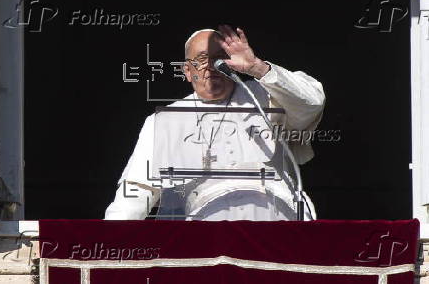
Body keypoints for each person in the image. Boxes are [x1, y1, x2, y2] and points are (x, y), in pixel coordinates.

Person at [105, 25, 325, 221]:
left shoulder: (265, 94)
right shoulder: (165, 120)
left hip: (276, 216)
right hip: (207, 227)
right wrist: (109, 239)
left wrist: (257, 68)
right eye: (201, 60)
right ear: (187, 72)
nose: (210, 67)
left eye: (219, 58)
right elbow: (137, 189)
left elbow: (312, 102)